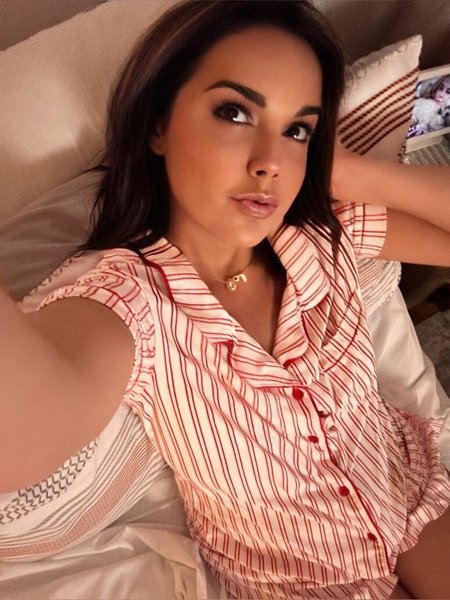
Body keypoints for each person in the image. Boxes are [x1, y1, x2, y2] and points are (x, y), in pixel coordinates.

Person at [1, 1, 450, 598]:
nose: (269, 163)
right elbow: (23, 434)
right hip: (298, 577)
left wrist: (341, 172)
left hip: (406, 487)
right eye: (235, 112)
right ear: (158, 125)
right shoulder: (130, 301)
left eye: (297, 129)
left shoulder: (321, 232)